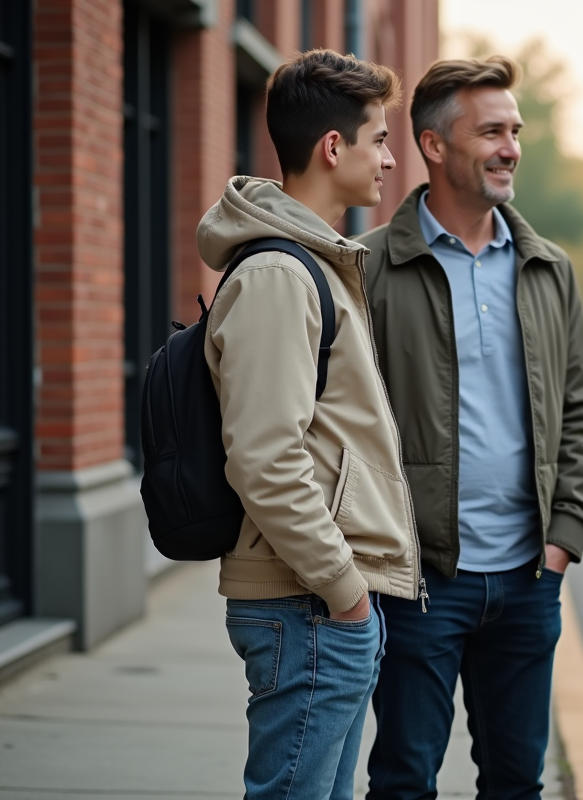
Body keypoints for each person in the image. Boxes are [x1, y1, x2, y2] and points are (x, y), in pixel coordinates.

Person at [357, 56, 583, 800]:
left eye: (515, 130)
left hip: (529, 579)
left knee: (516, 783)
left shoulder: (546, 268)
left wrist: (565, 538)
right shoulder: (369, 268)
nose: (510, 147)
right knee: (403, 780)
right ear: (434, 146)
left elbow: (580, 408)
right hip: (421, 583)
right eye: (491, 130)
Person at [198, 49, 421, 800]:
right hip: (309, 606)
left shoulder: (314, 264)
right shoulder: (278, 276)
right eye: (380, 139)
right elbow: (264, 458)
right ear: (334, 147)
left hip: (322, 604)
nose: (391, 159)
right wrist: (345, 592)